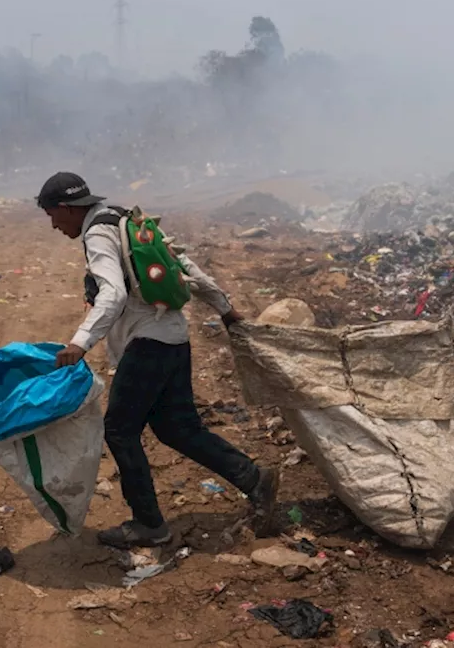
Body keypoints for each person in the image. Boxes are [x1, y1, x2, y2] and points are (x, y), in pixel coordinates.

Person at [37, 171, 280, 548]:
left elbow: (114, 294)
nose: (53, 225)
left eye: (53, 215)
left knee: (119, 429)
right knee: (177, 429)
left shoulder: (97, 234)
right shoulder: (126, 219)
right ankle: (254, 478)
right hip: (173, 338)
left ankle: (149, 523)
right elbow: (183, 265)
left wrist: (80, 342)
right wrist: (224, 308)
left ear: (67, 208)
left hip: (147, 344)